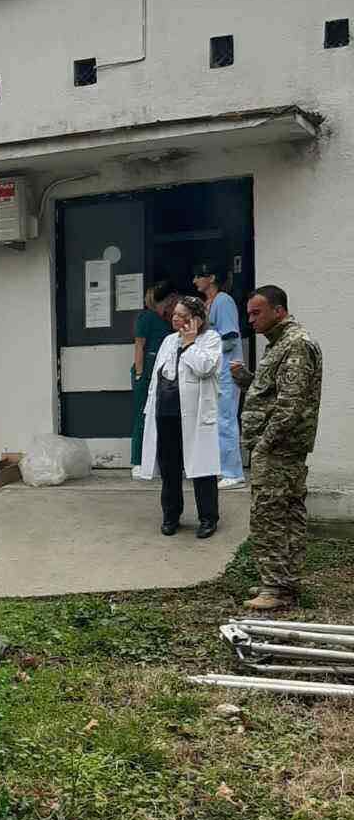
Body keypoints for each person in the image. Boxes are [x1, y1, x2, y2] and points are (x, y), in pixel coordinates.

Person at [231, 286, 323, 612]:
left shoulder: (296, 346)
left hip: (279, 451)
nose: (250, 320)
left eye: (257, 313)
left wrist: (263, 446)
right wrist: (248, 381)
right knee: (285, 515)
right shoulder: (281, 345)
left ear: (278, 311)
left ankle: (274, 588)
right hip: (279, 450)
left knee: (270, 518)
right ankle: (283, 582)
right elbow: (276, 393)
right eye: (249, 313)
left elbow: (290, 406)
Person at [136, 294, 222, 538]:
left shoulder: (210, 339)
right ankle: (171, 516)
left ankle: (208, 518)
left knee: (201, 469)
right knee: (169, 468)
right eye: (174, 314)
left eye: (182, 316)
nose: (175, 319)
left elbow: (205, 368)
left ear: (196, 319)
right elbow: (158, 376)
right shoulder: (167, 341)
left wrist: (190, 343)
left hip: (194, 416)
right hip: (166, 414)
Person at [193, 261, 244, 487]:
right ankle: (222, 467)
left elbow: (230, 337)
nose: (194, 281)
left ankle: (233, 472)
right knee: (216, 420)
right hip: (215, 369)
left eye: (198, 276)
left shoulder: (223, 301)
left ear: (211, 278)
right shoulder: (207, 304)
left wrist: (207, 350)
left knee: (225, 419)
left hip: (225, 368)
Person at [131, 280, 175, 473]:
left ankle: (151, 460)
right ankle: (138, 461)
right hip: (147, 371)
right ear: (165, 300)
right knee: (142, 416)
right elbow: (139, 345)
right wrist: (140, 374)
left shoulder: (163, 319)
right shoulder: (146, 317)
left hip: (159, 371)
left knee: (156, 418)